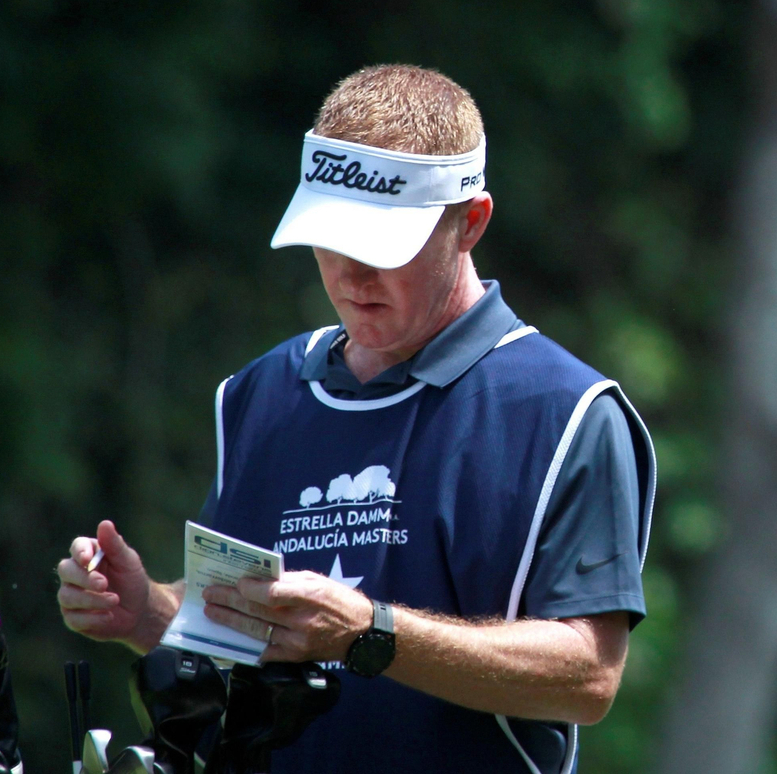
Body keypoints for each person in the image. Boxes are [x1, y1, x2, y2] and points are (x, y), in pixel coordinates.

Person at [56, 65, 656, 774]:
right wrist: (151, 615)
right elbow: (242, 617)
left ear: (470, 223)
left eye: (380, 247)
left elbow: (589, 677)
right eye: (330, 239)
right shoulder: (259, 393)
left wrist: (370, 635)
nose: (349, 276)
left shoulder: (568, 411)